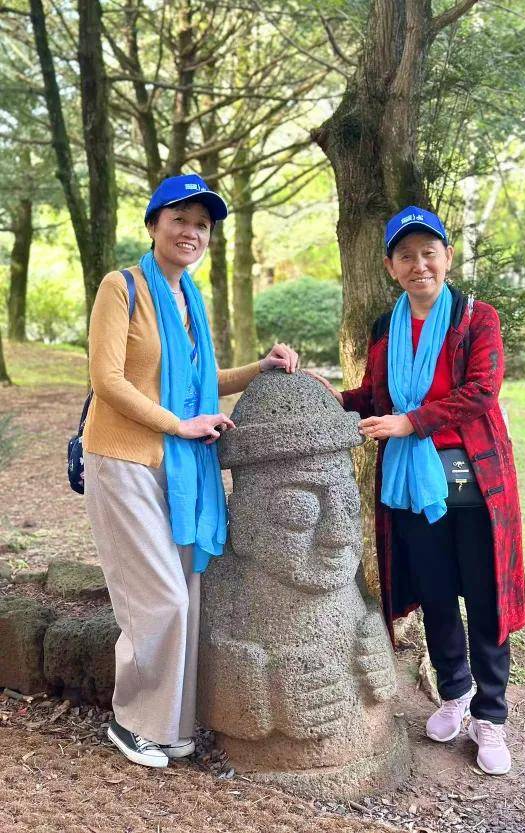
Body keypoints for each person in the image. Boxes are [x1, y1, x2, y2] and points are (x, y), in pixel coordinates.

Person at [82, 173, 298, 768]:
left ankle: (169, 725)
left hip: (181, 469)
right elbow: (108, 380)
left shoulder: (190, 302)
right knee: (160, 598)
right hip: (124, 459)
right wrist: (179, 425)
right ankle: (131, 721)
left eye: (202, 225)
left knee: (188, 595)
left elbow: (200, 383)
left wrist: (259, 369)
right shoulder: (122, 287)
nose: (191, 232)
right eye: (179, 218)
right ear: (154, 224)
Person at [311, 206, 525, 776]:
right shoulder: (386, 327)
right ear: (391, 266)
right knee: (435, 593)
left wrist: (411, 422)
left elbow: (481, 391)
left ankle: (491, 715)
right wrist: (330, 398)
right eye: (405, 255)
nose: (419, 264)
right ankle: (454, 693)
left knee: (485, 596)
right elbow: (376, 396)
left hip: (473, 479)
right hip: (410, 482)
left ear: (447, 257)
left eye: (428, 252)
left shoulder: (476, 318)